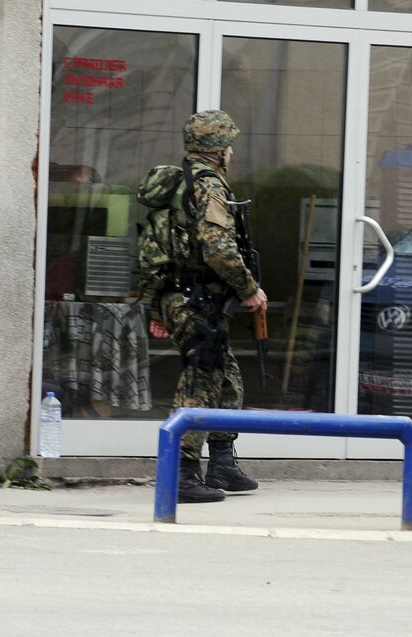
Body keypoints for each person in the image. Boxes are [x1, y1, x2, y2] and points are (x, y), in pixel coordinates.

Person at [147, 109, 267, 503]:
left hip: (179, 295)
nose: (232, 150)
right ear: (216, 149)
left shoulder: (179, 182)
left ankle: (221, 463)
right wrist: (249, 288)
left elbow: (156, 247)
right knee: (202, 379)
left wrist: (156, 307)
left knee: (226, 376)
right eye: (227, 143)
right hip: (194, 297)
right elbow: (217, 247)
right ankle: (181, 472)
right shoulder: (208, 186)